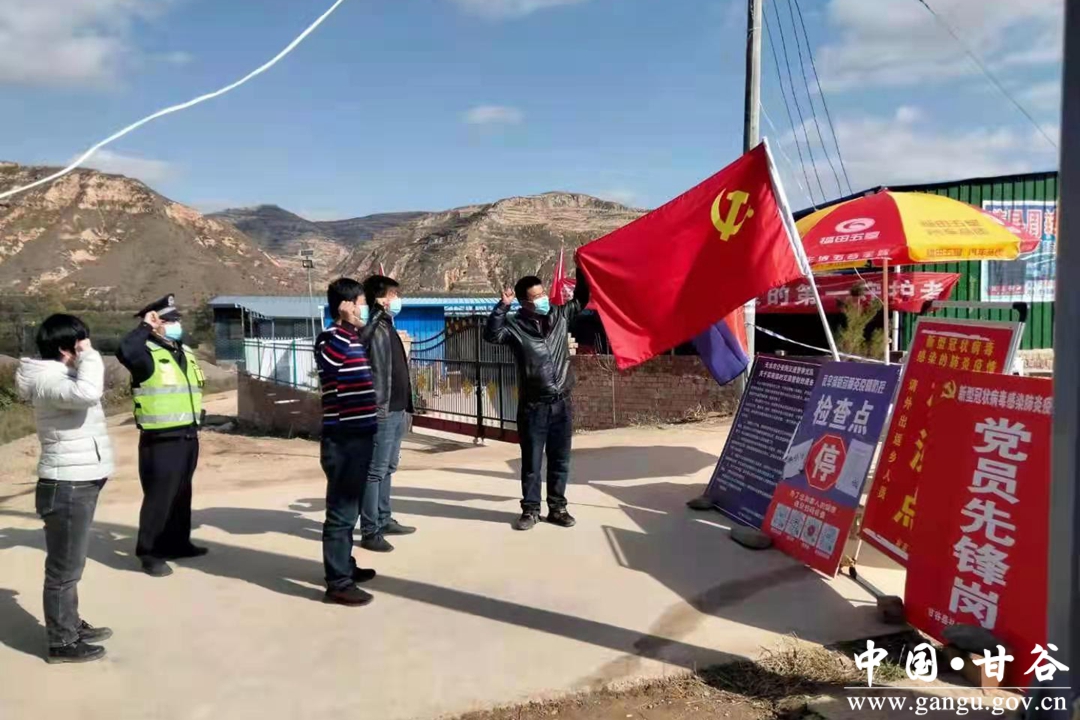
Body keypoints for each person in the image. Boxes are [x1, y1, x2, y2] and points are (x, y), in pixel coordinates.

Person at [15, 315, 115, 663]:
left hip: (78, 480)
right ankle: (62, 642)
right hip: (67, 484)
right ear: (65, 348)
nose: (86, 348)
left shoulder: (61, 375)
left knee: (72, 565)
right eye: (81, 343)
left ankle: (69, 625)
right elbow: (88, 394)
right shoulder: (48, 379)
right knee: (64, 570)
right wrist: (90, 355)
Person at [484, 271, 589, 531]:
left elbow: (581, 299)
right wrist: (502, 307)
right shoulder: (514, 327)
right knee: (532, 462)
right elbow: (491, 335)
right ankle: (530, 511)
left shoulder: (559, 316)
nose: (543, 299)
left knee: (560, 460)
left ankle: (558, 508)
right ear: (524, 302)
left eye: (543, 293)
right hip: (534, 406)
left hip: (561, 403)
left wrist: (581, 269)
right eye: (536, 297)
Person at [116, 294, 206, 577]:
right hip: (161, 439)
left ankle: (178, 542)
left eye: (177, 319)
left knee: (181, 493)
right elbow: (124, 350)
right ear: (156, 323)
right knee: (160, 497)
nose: (177, 324)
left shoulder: (183, 351)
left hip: (188, 435)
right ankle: (150, 553)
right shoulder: (144, 354)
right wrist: (144, 327)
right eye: (169, 320)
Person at [315, 278, 379, 606]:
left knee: (350, 510)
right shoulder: (330, 337)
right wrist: (343, 323)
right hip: (343, 440)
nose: (364, 308)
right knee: (341, 513)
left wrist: (353, 327)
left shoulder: (351, 337)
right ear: (347, 305)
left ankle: (345, 566)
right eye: (362, 302)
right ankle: (337, 583)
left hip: (360, 436)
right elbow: (329, 365)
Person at [357, 274, 416, 553]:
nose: (397, 300)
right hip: (380, 411)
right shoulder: (370, 325)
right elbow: (360, 340)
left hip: (397, 409)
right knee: (374, 471)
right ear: (379, 299)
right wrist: (376, 313)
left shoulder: (388, 326)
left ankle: (384, 518)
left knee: (389, 467)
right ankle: (370, 531)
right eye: (393, 295)